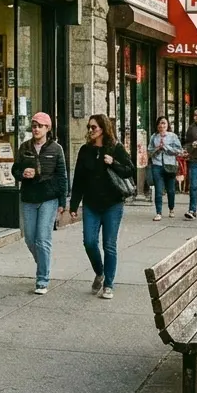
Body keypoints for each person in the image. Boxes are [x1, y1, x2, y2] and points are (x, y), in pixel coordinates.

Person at [69, 114, 135, 300]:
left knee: (109, 245)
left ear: (103, 129)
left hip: (112, 204)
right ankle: (100, 271)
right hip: (91, 203)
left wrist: (113, 162)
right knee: (89, 242)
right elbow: (79, 180)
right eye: (89, 127)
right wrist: (74, 204)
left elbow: (130, 170)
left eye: (94, 128)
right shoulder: (85, 151)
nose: (90, 131)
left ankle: (108, 284)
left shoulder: (115, 148)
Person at [11, 113, 67, 295]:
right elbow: (15, 169)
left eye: (40, 126)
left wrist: (62, 201)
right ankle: (44, 262)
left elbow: (62, 177)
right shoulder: (24, 147)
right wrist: (22, 174)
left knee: (42, 239)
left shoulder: (56, 149)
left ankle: (42, 279)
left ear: (47, 129)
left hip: (48, 198)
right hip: (28, 197)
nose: (36, 129)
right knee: (29, 238)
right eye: (34, 125)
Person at [148, 115, 182, 221]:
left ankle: (171, 209)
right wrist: (157, 149)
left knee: (170, 189)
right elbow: (149, 151)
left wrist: (166, 147)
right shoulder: (154, 137)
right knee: (158, 190)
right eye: (160, 123)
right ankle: (158, 212)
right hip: (157, 165)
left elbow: (179, 150)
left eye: (164, 123)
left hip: (169, 165)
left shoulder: (173, 136)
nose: (161, 125)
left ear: (167, 125)